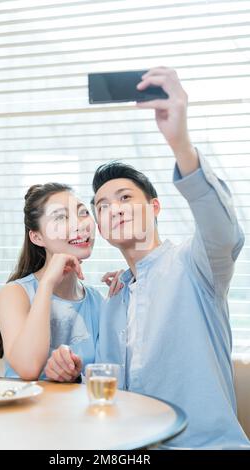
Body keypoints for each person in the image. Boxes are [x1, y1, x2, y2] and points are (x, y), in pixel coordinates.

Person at [48, 67, 250, 449]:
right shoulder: (114, 299)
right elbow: (112, 390)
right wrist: (70, 371)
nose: (114, 209)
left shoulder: (196, 265)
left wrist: (181, 145)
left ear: (154, 207)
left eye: (126, 197)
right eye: (102, 206)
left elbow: (223, 231)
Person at [0, 183, 122, 381]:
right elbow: (28, 368)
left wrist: (122, 301)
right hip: (24, 411)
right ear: (37, 237)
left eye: (83, 212)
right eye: (61, 217)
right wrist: (47, 284)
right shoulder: (15, 294)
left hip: (74, 411)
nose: (79, 224)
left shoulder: (97, 301)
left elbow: (110, 374)